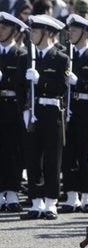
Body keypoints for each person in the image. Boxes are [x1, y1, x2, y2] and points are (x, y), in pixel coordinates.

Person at [20, 15, 70, 220]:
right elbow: (19, 87)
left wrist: (42, 82)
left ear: (48, 34)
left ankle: (51, 202)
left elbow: (62, 87)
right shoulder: (26, 57)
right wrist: (24, 108)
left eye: (35, 31)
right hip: (32, 111)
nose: (31, 35)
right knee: (32, 158)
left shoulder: (60, 58)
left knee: (51, 158)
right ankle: (36, 201)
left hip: (51, 112)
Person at [59, 14, 88, 214]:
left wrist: (79, 83)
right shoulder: (65, 55)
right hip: (68, 110)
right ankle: (71, 196)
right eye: (70, 30)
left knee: (85, 153)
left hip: (87, 111)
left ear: (85, 33)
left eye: (75, 31)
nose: (70, 34)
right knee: (68, 154)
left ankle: (87, 195)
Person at [0, 12, 29, 213]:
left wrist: (4, 80)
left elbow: (21, 84)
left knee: (13, 150)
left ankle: (11, 192)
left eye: (3, 28)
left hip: (12, 106)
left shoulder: (21, 54)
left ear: (13, 31)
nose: (0, 31)